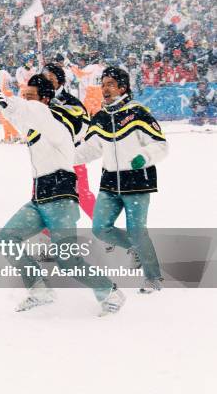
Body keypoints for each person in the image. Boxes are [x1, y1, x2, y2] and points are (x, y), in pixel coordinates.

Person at [0, 75, 125, 316]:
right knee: (7, 239)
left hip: (60, 199)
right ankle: (39, 290)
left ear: (45, 100)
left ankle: (110, 292)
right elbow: (21, 117)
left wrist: (12, 102)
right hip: (40, 199)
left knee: (68, 261)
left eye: (30, 96)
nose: (26, 101)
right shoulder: (35, 124)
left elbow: (32, 111)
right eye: (24, 96)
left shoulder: (53, 122)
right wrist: (4, 104)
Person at [75, 67, 168, 293]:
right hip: (109, 183)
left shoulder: (138, 113)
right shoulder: (100, 118)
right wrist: (62, 157)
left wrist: (144, 157)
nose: (105, 89)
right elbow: (90, 149)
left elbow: (161, 145)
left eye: (110, 84)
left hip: (137, 181)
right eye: (103, 84)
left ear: (123, 88)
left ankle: (153, 278)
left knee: (137, 231)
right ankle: (136, 248)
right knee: (100, 228)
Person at [42, 63, 96, 219]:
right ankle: (46, 236)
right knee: (43, 197)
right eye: (44, 79)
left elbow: (84, 128)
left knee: (83, 196)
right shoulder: (39, 101)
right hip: (46, 158)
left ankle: (105, 230)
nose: (47, 82)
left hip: (72, 157)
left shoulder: (72, 102)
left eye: (50, 79)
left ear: (60, 81)